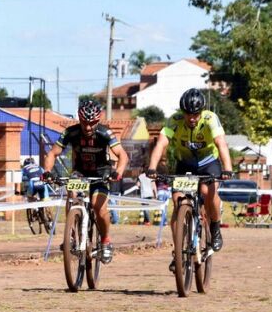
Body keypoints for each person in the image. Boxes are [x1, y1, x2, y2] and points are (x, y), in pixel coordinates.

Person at [146, 88, 233, 271]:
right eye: (188, 114)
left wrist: (227, 169)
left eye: (195, 114)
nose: (192, 118)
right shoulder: (175, 120)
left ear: (201, 112)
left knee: (207, 192)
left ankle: (215, 229)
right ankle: (178, 251)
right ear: (182, 112)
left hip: (209, 162)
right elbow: (161, 143)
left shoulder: (210, 119)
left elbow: (221, 144)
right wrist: (152, 167)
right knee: (178, 202)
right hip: (185, 163)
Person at [42, 100, 129, 263]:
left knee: (98, 205)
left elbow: (122, 155)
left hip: (101, 173)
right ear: (79, 119)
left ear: (98, 121)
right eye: (84, 123)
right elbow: (52, 153)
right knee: (72, 194)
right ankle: (72, 234)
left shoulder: (105, 133)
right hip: (80, 172)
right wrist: (47, 172)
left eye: (92, 123)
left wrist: (118, 172)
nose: (88, 127)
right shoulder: (70, 132)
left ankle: (105, 241)